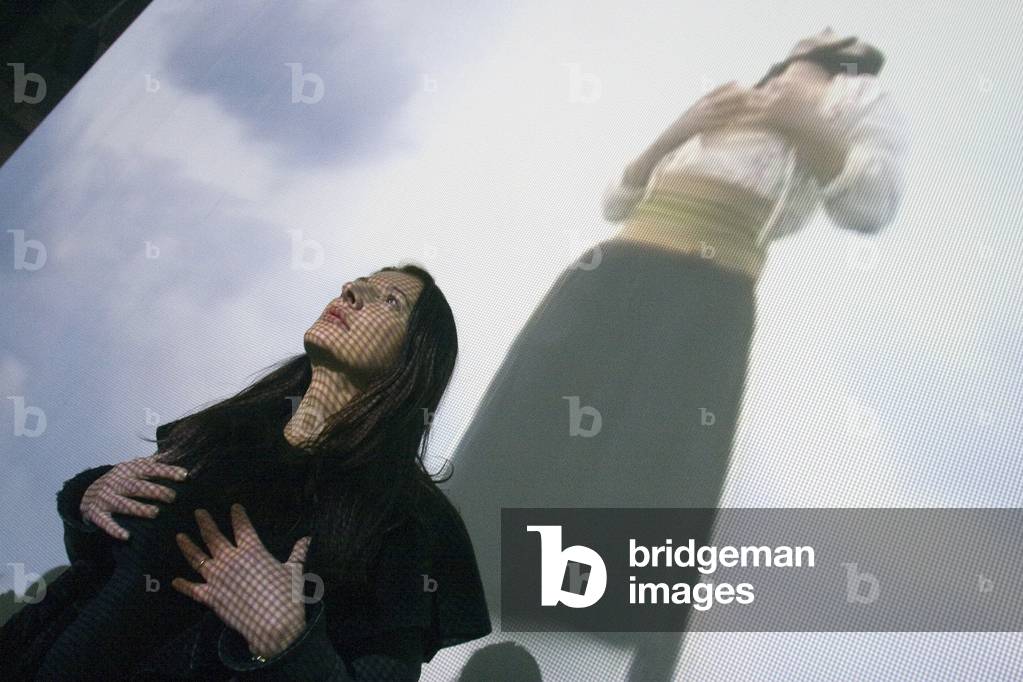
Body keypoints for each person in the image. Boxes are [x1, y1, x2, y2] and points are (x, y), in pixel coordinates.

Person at [441, 27, 909, 682]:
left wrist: (804, 127)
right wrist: (678, 128)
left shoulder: (856, 95)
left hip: (704, 293)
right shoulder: (732, 96)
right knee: (526, 429)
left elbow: (872, 203)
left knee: (649, 460)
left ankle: (578, 659)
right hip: (611, 271)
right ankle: (441, 622)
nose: (820, 30)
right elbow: (616, 200)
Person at [0, 265, 492, 680]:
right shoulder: (220, 434)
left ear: (414, 360)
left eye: (389, 301)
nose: (352, 291)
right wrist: (89, 501)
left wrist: (285, 642)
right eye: (358, 282)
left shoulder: (407, 520)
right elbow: (110, 575)